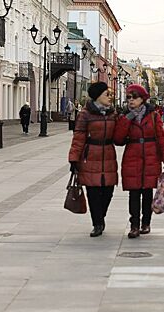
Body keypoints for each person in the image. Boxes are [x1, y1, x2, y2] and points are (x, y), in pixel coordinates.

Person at [114, 84, 164, 238]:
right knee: (133, 194)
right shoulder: (124, 116)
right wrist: (127, 119)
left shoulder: (153, 116)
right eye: (129, 97)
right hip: (132, 157)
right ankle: (134, 225)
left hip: (150, 157)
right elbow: (118, 139)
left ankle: (146, 223)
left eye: (135, 97)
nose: (131, 100)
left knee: (147, 193)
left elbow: (162, 137)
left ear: (143, 99)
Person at [68, 82, 118, 237]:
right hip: (90, 156)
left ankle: (100, 216)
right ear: (97, 96)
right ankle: (97, 223)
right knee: (93, 192)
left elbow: (120, 133)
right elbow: (78, 136)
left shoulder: (113, 113)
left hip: (108, 154)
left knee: (108, 191)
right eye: (106, 94)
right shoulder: (85, 114)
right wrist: (74, 159)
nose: (109, 97)